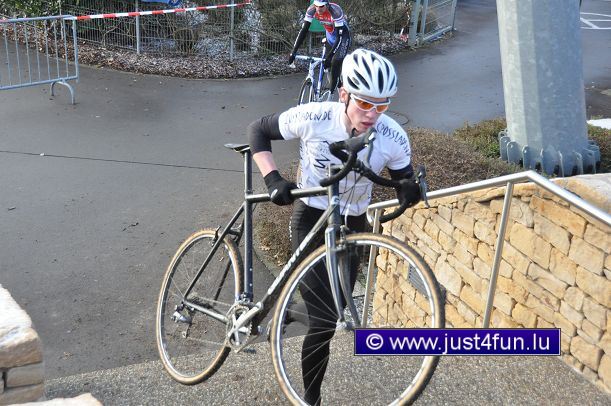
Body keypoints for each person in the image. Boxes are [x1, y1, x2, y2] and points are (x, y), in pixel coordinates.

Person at [248, 49, 420, 406]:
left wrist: (409, 190)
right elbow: (258, 130)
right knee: (326, 322)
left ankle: (288, 311)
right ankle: (311, 399)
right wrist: (273, 179)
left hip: (353, 223)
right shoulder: (314, 116)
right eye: (364, 104)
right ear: (344, 94)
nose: (373, 114)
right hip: (312, 216)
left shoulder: (393, 136)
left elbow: (403, 177)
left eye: (383, 106)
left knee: (336, 308)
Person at [288, 0, 351, 95]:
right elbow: (304, 30)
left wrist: (330, 56)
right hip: (330, 35)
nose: (318, 9)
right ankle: (338, 84)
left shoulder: (335, 11)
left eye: (321, 6)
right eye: (316, 6)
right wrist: (293, 52)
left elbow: (339, 37)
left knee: (335, 61)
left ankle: (334, 92)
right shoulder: (311, 10)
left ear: (327, 5)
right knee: (328, 66)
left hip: (342, 37)